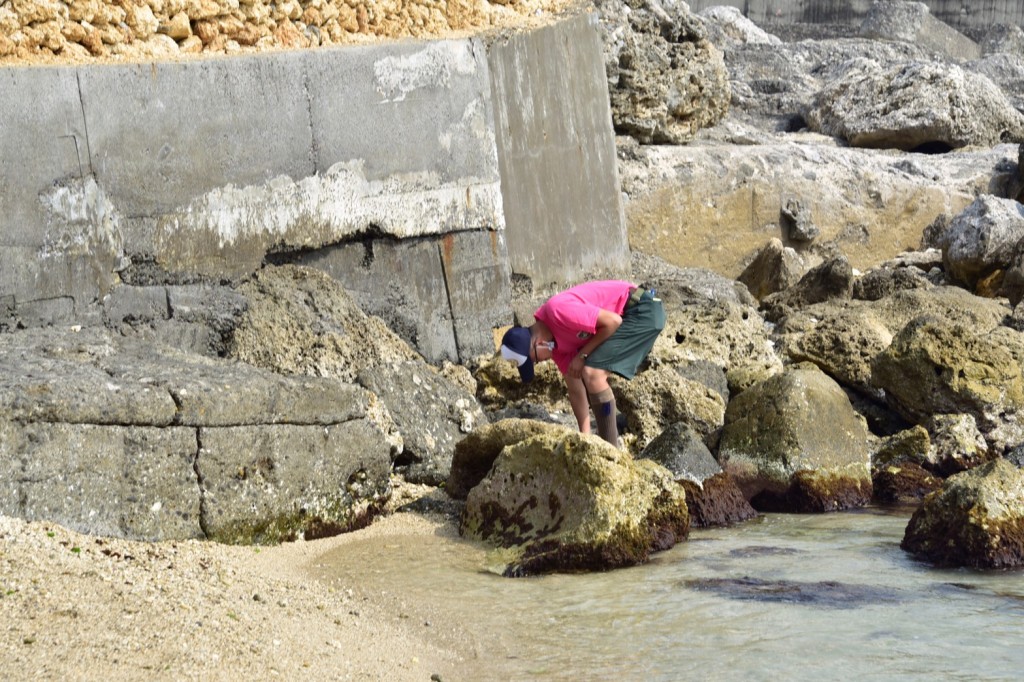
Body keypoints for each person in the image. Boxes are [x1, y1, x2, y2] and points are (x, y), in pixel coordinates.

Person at [500, 280, 665, 446]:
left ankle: (611, 451)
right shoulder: (555, 346)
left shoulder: (557, 311)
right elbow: (575, 390)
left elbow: (613, 322)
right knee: (589, 373)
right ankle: (604, 444)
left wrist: (582, 356)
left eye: (534, 359)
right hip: (631, 315)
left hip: (642, 310)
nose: (539, 362)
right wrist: (584, 438)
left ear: (537, 342)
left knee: (593, 374)